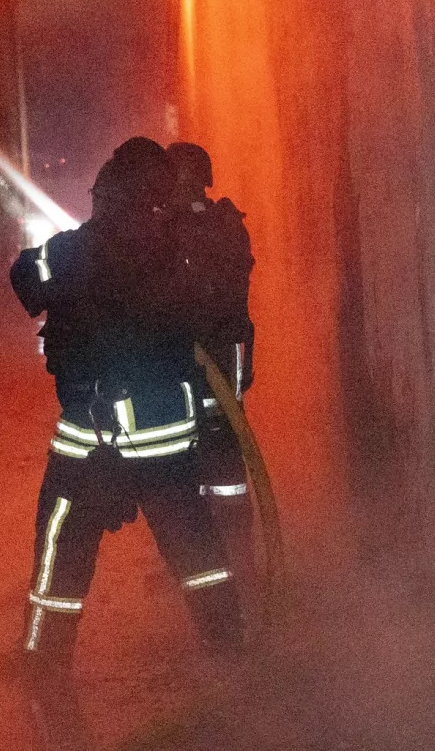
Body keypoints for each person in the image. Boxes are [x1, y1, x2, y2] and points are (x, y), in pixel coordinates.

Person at [8, 138, 243, 705]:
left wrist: (67, 252)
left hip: (93, 440)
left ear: (107, 192)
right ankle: (231, 646)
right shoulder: (183, 254)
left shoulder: (76, 252)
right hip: (167, 439)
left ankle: (44, 658)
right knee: (196, 548)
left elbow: (24, 278)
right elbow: (217, 325)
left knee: (63, 543)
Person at [165, 141, 256, 588]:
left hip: (197, 364)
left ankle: (219, 568)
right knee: (220, 461)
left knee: (198, 464)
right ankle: (233, 564)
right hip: (217, 362)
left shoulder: (172, 232)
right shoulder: (225, 225)